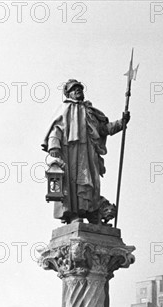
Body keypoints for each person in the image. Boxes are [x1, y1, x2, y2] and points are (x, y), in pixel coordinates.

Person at [42, 79, 130, 224]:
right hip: (70, 152)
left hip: (88, 152)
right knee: (73, 183)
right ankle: (74, 213)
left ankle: (91, 211)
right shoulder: (65, 109)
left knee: (90, 183)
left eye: (80, 88)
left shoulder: (89, 111)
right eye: (74, 89)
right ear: (68, 93)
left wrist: (122, 123)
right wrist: (54, 146)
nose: (78, 91)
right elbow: (56, 129)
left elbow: (103, 129)